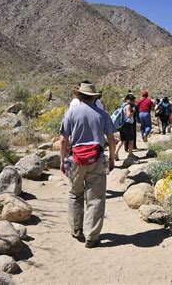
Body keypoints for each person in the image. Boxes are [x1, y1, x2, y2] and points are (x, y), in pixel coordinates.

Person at [60, 83, 116, 248]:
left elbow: (63, 140)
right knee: (96, 198)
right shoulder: (102, 114)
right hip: (97, 160)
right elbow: (111, 140)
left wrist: (62, 160)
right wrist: (112, 159)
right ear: (94, 97)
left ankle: (76, 230)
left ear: (79, 96)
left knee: (75, 195)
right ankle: (92, 236)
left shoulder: (70, 113)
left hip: (76, 160)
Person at [115, 94, 137, 161]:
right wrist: (133, 110)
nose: (133, 100)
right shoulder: (128, 106)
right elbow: (128, 115)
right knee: (131, 140)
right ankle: (130, 154)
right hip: (127, 125)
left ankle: (115, 153)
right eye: (132, 99)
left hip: (123, 125)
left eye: (133, 99)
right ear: (128, 99)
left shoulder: (124, 105)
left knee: (122, 140)